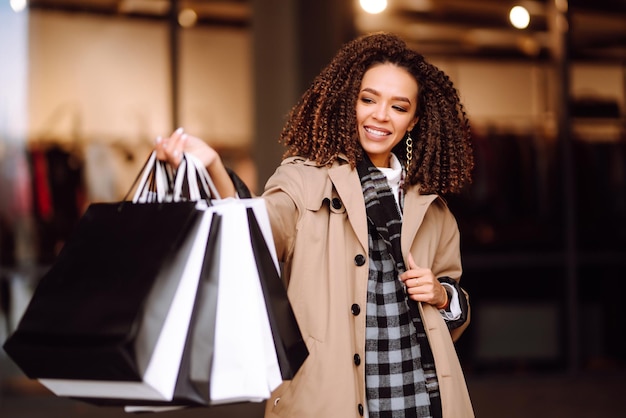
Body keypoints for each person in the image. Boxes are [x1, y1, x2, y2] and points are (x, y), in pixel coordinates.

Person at [156, 32, 474, 418]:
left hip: (421, 399)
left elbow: (454, 305)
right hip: (330, 399)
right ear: (348, 102)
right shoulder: (302, 181)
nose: (380, 116)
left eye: (399, 107)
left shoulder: (431, 208)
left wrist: (441, 295)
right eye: (368, 99)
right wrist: (212, 168)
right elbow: (252, 231)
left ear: (413, 121)